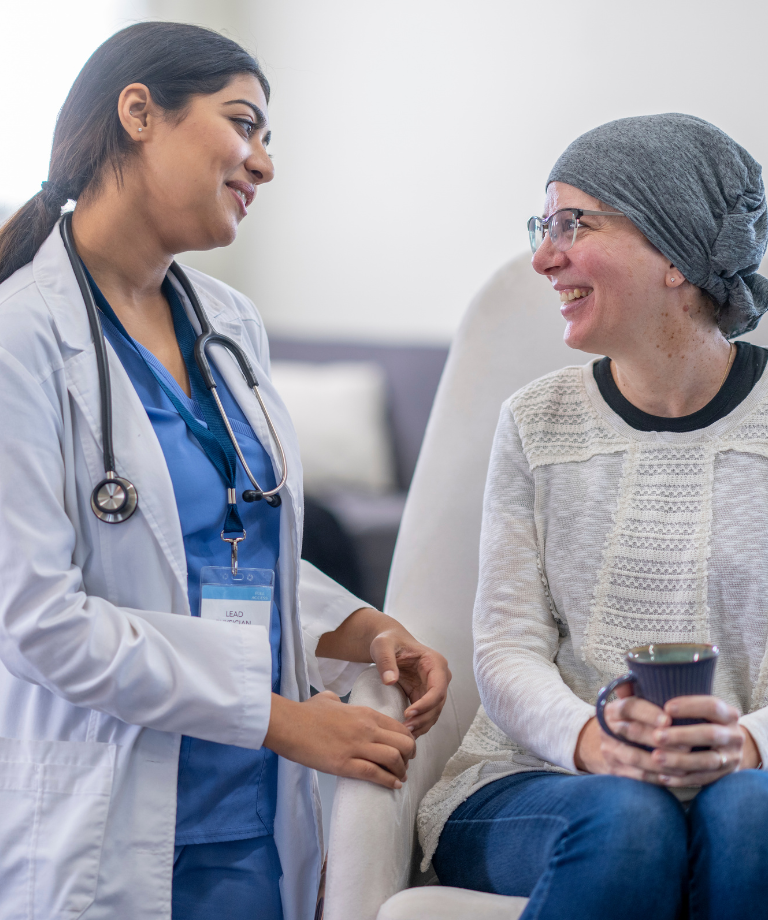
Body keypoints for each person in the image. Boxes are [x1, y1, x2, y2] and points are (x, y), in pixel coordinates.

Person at [0, 22, 450, 920]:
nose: (265, 164)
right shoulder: (21, 336)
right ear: (139, 112)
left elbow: (233, 548)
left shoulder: (228, 323)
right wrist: (286, 720)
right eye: (245, 124)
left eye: (269, 139)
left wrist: (362, 626)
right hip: (110, 816)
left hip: (251, 813)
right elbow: (37, 621)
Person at [416, 113, 768, 919]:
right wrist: (588, 740)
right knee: (631, 819)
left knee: (750, 812)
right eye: (544, 227)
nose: (544, 256)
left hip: (749, 781)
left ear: (675, 254)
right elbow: (507, 647)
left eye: (573, 223)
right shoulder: (535, 424)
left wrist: (745, 744)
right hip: (540, 781)